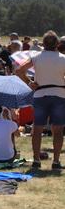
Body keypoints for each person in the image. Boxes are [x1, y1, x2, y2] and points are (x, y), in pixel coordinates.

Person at [15, 30, 65, 169]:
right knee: (58, 130)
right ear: (57, 43)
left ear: (43, 43)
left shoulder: (36, 57)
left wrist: (30, 82)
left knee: (37, 129)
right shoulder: (63, 58)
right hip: (59, 94)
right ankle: (56, 161)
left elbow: (19, 70)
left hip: (40, 94)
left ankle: (36, 160)